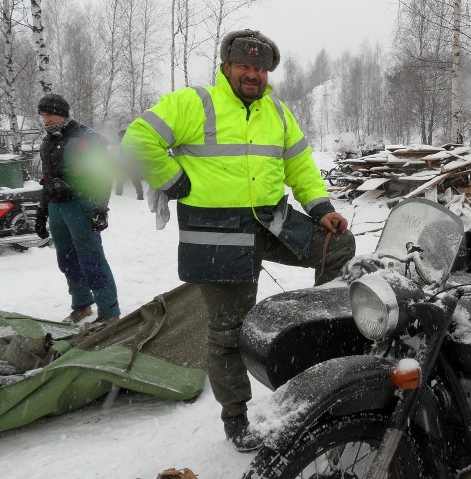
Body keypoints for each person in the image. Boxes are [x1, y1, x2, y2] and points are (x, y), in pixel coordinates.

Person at [121, 29, 356, 452]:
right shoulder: (195, 103)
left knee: (336, 246)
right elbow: (138, 139)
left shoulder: (278, 113)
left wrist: (321, 208)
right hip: (217, 234)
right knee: (228, 332)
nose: (253, 74)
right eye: (245, 66)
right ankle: (237, 419)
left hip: (271, 222)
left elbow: (300, 165)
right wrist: (174, 181)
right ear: (226, 67)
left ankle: (324, 339)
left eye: (261, 68)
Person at [34, 94, 121, 325]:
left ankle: (109, 312)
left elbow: (104, 174)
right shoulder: (48, 141)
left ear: (62, 113)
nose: (46, 120)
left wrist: (101, 209)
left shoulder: (87, 138)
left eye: (49, 114)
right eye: (43, 115)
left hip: (80, 205)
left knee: (91, 260)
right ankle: (81, 306)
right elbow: (46, 178)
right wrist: (42, 212)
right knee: (67, 260)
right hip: (57, 208)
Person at [114, 129, 144, 200]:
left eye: (119, 136)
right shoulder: (125, 142)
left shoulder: (128, 142)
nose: (118, 138)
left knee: (134, 179)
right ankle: (119, 192)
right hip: (126, 164)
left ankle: (140, 195)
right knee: (123, 178)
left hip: (130, 164)